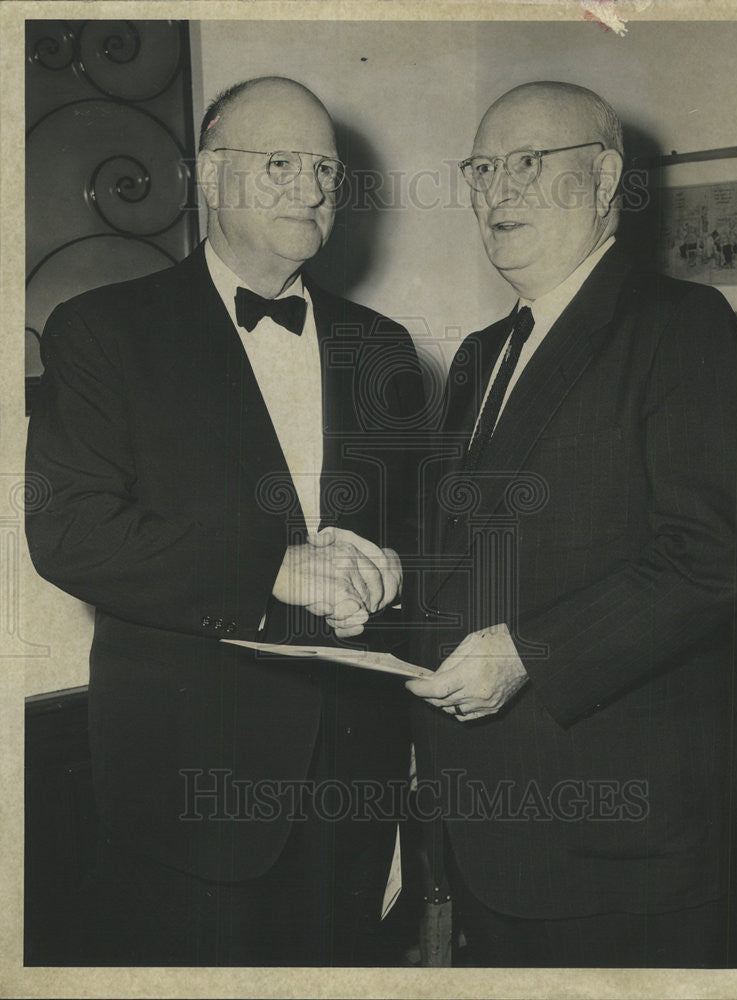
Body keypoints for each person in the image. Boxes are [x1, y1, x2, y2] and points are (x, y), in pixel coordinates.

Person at [26, 76, 425, 966]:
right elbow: (70, 531)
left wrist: (397, 568)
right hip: (188, 794)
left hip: (355, 790)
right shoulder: (99, 332)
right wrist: (270, 568)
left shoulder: (384, 348)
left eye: (323, 167)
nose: (311, 187)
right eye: (278, 162)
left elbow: (427, 538)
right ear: (209, 176)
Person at [406, 82, 737, 968]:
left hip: (618, 852)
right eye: (483, 169)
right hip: (490, 834)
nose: (498, 191)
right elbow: (469, 557)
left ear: (606, 175)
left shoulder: (681, 326)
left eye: (527, 163)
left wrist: (531, 654)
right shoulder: (480, 355)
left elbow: (714, 557)